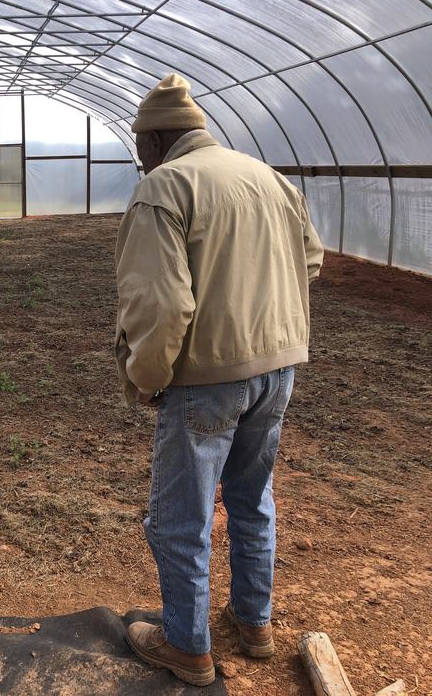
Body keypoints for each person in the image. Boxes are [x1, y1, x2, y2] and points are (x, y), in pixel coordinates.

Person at [114, 74, 323, 686]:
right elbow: (309, 260)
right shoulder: (268, 178)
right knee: (252, 496)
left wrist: (147, 376)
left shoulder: (164, 187)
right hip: (277, 369)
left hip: (207, 377)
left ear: (156, 140)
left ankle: (186, 645)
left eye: (140, 145)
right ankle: (254, 623)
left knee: (181, 516)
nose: (139, 156)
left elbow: (161, 304)